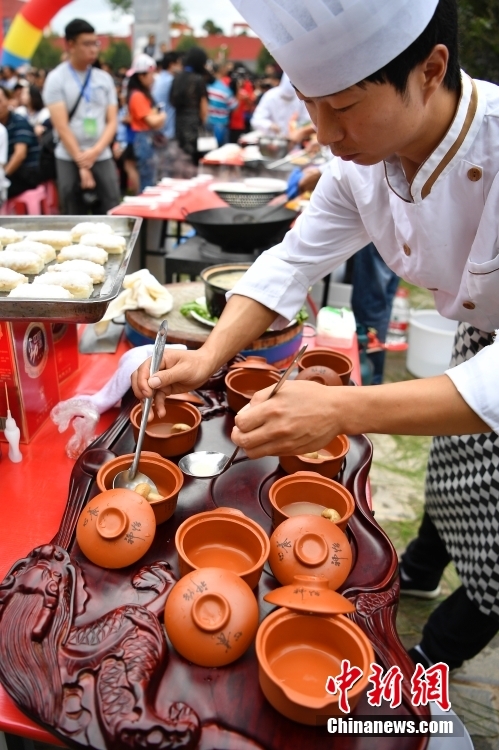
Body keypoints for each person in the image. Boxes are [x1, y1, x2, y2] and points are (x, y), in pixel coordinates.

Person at [133, 0, 499, 674]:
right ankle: (415, 570)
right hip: (478, 340)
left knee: (496, 550)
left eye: (345, 107)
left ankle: (426, 663)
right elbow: (291, 260)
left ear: (430, 70)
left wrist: (338, 409)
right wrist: (208, 356)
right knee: (453, 482)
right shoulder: (360, 164)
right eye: (310, 106)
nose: (325, 134)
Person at [43, 18, 121, 214]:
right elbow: (61, 126)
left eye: (95, 43)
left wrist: (95, 152)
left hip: (101, 153)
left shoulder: (103, 79)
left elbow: (112, 121)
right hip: (68, 155)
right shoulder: (56, 79)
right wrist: (81, 160)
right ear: (70, 45)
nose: (93, 49)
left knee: (112, 204)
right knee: (71, 208)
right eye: (86, 44)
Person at [126, 54, 166, 192]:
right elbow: (152, 121)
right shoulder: (137, 96)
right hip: (143, 139)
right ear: (141, 76)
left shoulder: (142, 94)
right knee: (147, 180)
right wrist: (162, 116)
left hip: (146, 139)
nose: (153, 77)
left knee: (150, 177)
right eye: (150, 74)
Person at [169, 47, 208, 165]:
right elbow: (203, 108)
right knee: (193, 160)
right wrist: (203, 122)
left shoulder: (177, 78)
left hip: (178, 123)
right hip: (194, 124)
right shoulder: (198, 79)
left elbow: (171, 100)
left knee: (181, 158)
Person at [0, 87, 41, 198]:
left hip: (24, 173)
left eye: (0, 101)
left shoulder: (19, 122)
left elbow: (20, 155)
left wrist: (3, 177)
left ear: (8, 101)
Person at [250, 72, 309, 137]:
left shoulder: (300, 98)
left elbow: (306, 119)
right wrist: (270, 125)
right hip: (272, 139)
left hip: (294, 140)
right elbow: (256, 120)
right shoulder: (270, 96)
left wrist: (298, 128)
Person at [151, 51, 181, 143]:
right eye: (179, 64)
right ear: (172, 65)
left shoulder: (157, 79)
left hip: (157, 129)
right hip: (168, 130)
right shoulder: (171, 81)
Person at [206, 63, 238, 146]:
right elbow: (234, 106)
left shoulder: (206, 87)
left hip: (207, 125)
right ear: (222, 71)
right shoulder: (225, 90)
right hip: (221, 126)